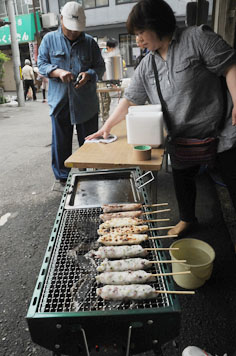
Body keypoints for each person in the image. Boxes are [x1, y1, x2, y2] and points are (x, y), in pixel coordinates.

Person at [86, 0, 236, 236]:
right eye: (135, 34)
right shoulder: (147, 64)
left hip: (222, 129)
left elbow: (229, 65)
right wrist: (106, 127)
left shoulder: (196, 38)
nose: (138, 40)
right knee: (182, 180)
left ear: (157, 25)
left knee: (233, 180)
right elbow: (130, 99)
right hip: (183, 136)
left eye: (140, 32)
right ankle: (187, 219)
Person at [37, 1, 105, 184]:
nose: (74, 32)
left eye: (77, 29)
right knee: (61, 143)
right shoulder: (49, 40)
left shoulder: (90, 42)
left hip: (86, 103)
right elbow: (41, 64)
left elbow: (100, 66)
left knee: (89, 142)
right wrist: (58, 72)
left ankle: (89, 174)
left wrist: (89, 75)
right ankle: (63, 179)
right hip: (60, 101)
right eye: (70, 28)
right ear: (61, 20)